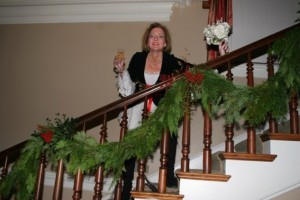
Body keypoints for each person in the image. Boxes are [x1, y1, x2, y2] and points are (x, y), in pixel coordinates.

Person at [113, 22, 228, 200]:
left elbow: (197, 74)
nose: (156, 39)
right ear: (147, 41)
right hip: (138, 111)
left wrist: (221, 57)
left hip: (161, 110)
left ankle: (168, 179)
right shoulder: (137, 58)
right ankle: (124, 191)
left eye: (160, 36)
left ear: (165, 42)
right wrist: (121, 71)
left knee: (171, 133)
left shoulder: (172, 62)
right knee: (130, 149)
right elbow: (127, 90)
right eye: (152, 36)